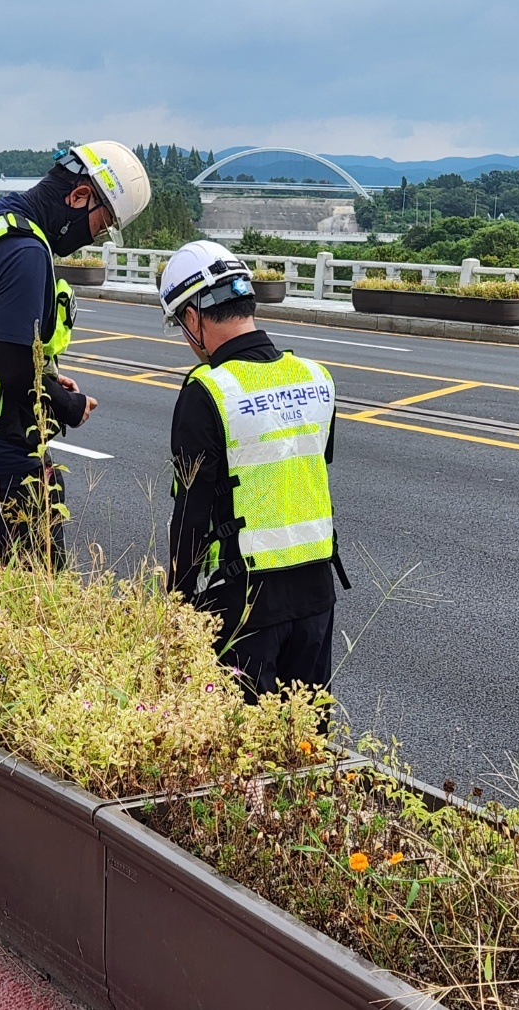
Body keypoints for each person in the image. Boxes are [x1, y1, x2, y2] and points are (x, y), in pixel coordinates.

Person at [0, 142, 150, 566]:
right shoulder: (25, 250)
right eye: (101, 223)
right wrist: (67, 405)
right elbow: (14, 369)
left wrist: (49, 382)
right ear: (79, 196)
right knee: (28, 590)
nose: (95, 235)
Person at [160, 240, 349, 703]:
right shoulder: (315, 377)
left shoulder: (208, 390)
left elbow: (192, 514)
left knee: (242, 747)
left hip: (244, 599)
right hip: (316, 592)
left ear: (192, 317)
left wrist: (179, 610)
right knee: (305, 738)